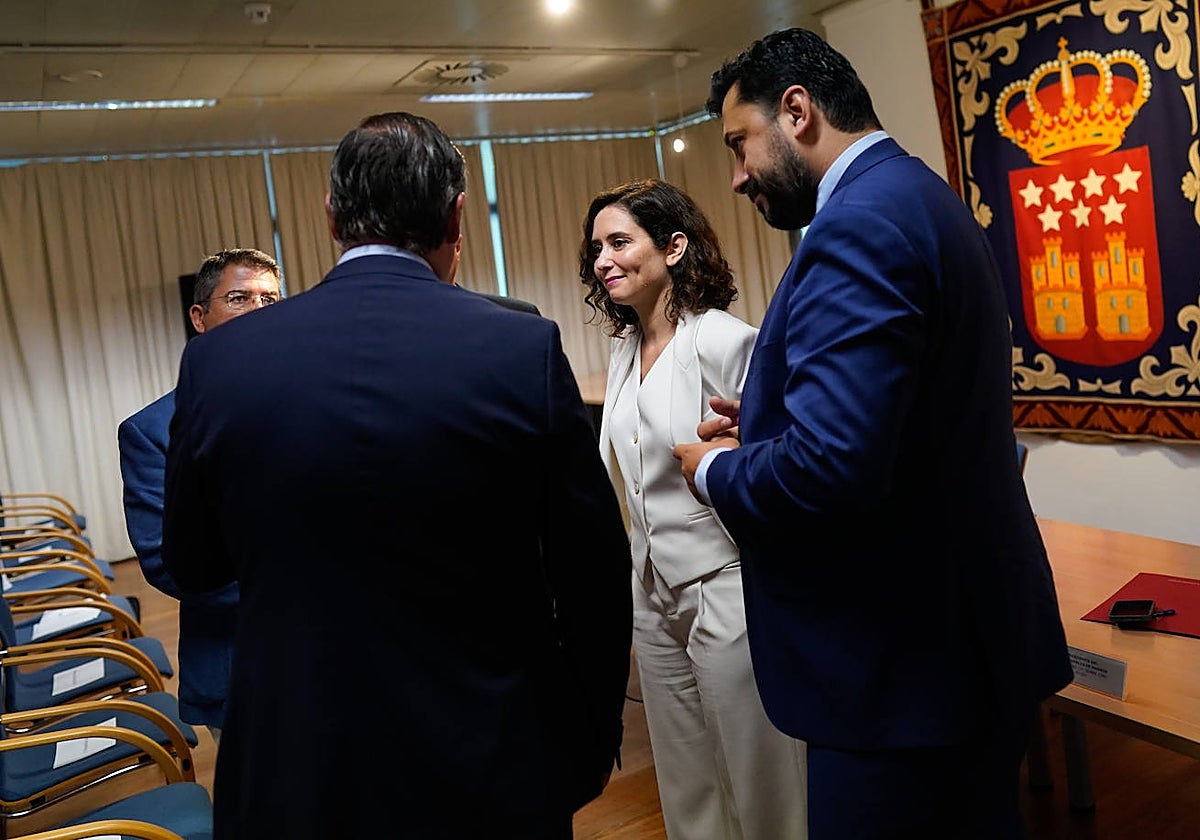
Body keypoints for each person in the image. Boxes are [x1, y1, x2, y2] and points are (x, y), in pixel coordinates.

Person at [161, 111, 632, 840]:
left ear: (330, 218)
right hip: (486, 754)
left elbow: (193, 560)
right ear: (457, 215)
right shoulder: (520, 348)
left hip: (294, 759)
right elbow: (592, 571)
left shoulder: (221, 362)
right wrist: (591, 735)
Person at [672, 28, 1075, 839]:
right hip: (964, 641)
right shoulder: (919, 194)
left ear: (797, 112)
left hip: (900, 672)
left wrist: (714, 469)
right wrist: (770, 418)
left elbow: (832, 468)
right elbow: (910, 408)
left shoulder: (854, 226)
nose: (738, 174)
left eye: (739, 144)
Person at [578, 178, 807, 840]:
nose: (603, 261)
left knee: (761, 776)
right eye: (597, 248)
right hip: (651, 596)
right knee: (686, 780)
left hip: (725, 586)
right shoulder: (622, 352)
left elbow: (778, 457)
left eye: (620, 242)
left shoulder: (724, 340)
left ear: (674, 247)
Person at [117, 247, 282, 743]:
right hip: (239, 661)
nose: (258, 313)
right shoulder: (152, 432)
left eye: (271, 300)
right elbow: (167, 561)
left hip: (344, 652)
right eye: (239, 298)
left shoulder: (319, 400)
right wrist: (299, 582)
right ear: (200, 318)